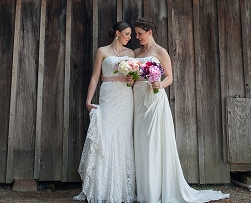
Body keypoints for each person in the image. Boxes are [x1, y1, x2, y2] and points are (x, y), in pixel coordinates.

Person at [132, 17, 229, 203]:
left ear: (150, 32)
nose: (137, 37)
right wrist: (130, 79)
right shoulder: (135, 53)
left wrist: (158, 85)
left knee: (154, 142)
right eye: (136, 34)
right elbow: (134, 75)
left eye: (140, 34)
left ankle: (155, 191)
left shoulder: (160, 51)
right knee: (141, 143)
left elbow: (170, 77)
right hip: (137, 99)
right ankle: (144, 190)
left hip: (154, 99)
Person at [75, 21, 137, 203]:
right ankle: (101, 187)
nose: (130, 37)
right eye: (127, 34)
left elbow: (133, 80)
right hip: (108, 94)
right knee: (106, 136)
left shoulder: (131, 54)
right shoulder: (102, 51)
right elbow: (95, 77)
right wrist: (88, 99)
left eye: (131, 34)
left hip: (125, 97)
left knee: (123, 137)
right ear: (117, 33)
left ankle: (121, 190)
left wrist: (130, 79)